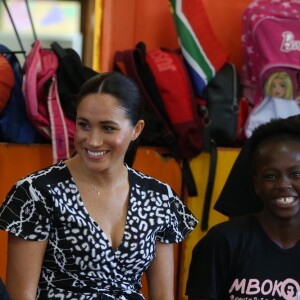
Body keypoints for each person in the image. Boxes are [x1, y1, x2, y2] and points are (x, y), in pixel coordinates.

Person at [0, 72, 198, 300]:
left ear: (137, 129)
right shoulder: (37, 193)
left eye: (108, 128)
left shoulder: (159, 198)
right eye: (84, 125)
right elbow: (19, 296)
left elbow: (163, 296)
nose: (93, 140)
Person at [186, 117, 300, 300]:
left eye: (295, 174)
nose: (283, 185)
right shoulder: (221, 242)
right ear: (256, 184)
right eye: (271, 176)